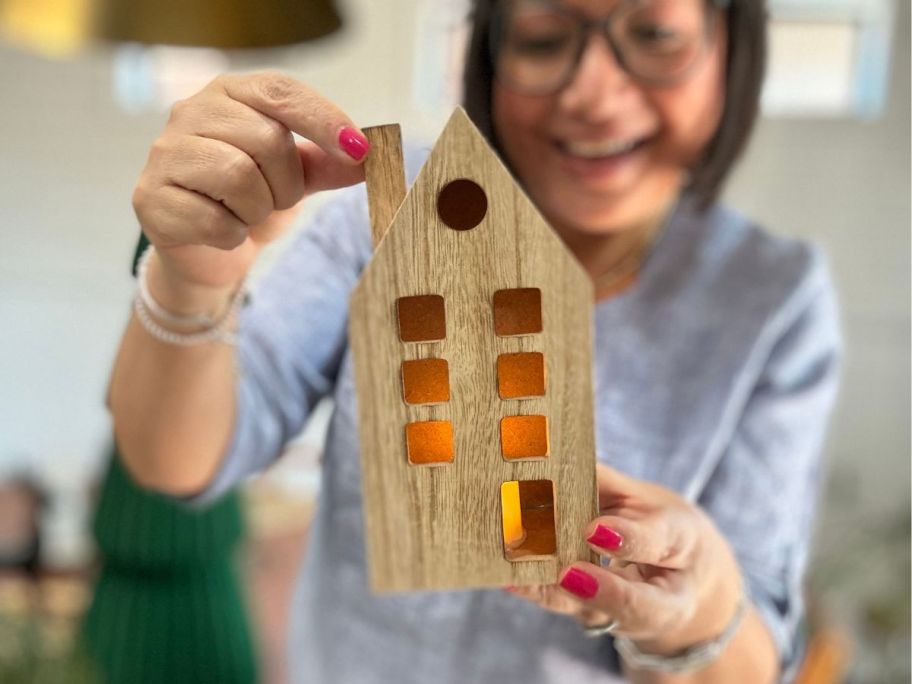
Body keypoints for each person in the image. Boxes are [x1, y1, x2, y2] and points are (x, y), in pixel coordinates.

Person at [107, 0, 842, 681]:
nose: (591, 91)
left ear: (729, 47)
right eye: (545, 39)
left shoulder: (773, 298)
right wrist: (192, 280)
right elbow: (179, 459)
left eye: (653, 35)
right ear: (493, 50)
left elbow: (756, 655)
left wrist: (701, 606)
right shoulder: (397, 212)